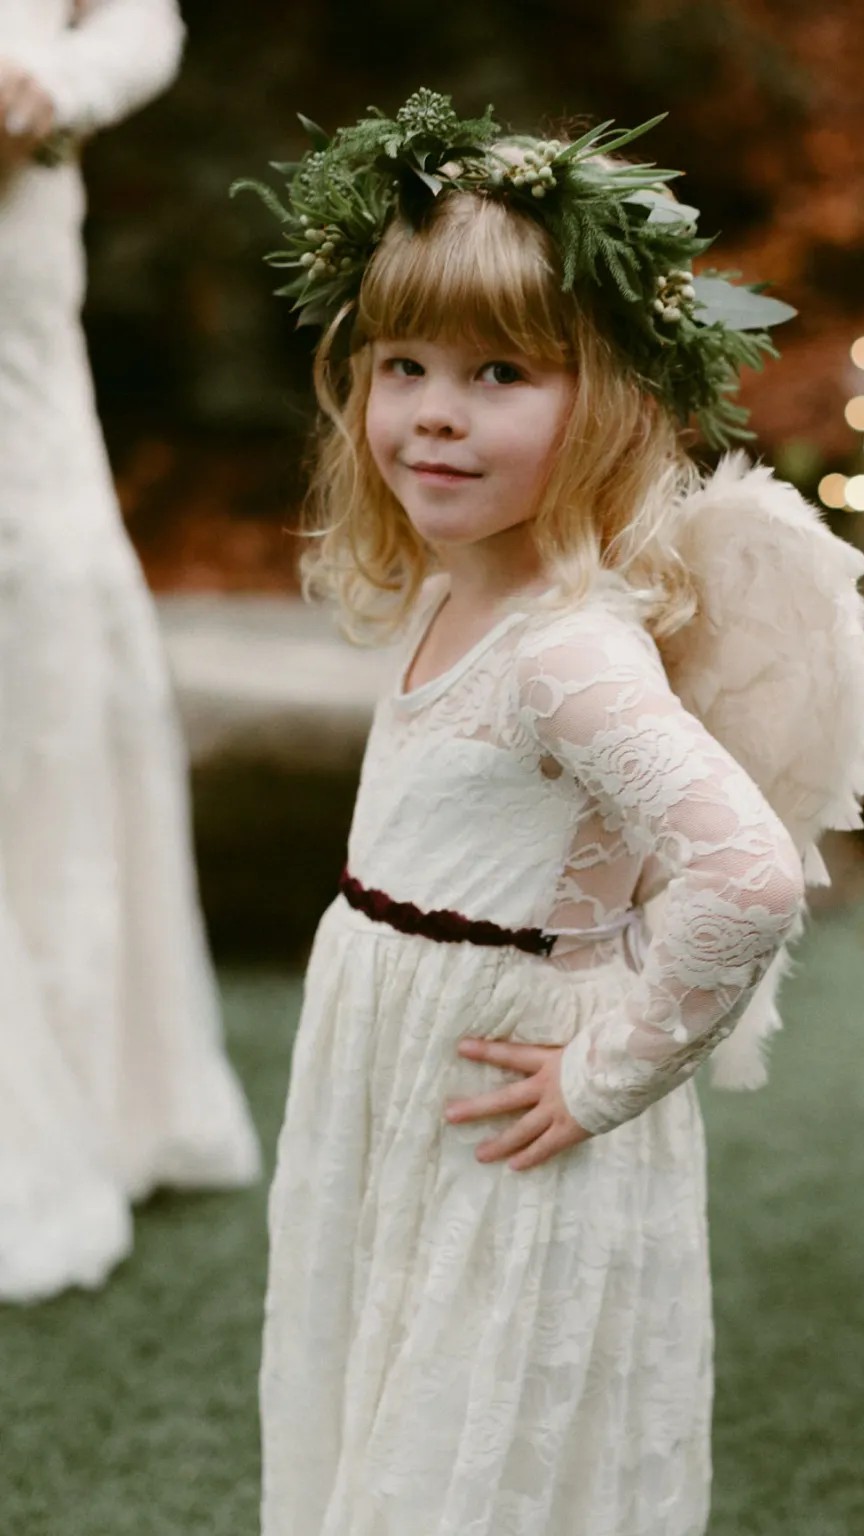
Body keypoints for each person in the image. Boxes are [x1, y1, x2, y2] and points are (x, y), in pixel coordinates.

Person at [241, 89, 864, 1535]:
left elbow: (742, 874)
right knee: (383, 1371)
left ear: (599, 397)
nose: (436, 414)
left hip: (500, 1086)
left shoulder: (567, 648)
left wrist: (601, 1073)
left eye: (498, 373)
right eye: (403, 363)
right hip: (397, 1072)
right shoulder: (448, 588)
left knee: (473, 1436)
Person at [0, 0, 260, 1306]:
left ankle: (89, 1085)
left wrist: (53, 80)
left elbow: (140, 18)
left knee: (41, 623)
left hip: (11, 233)